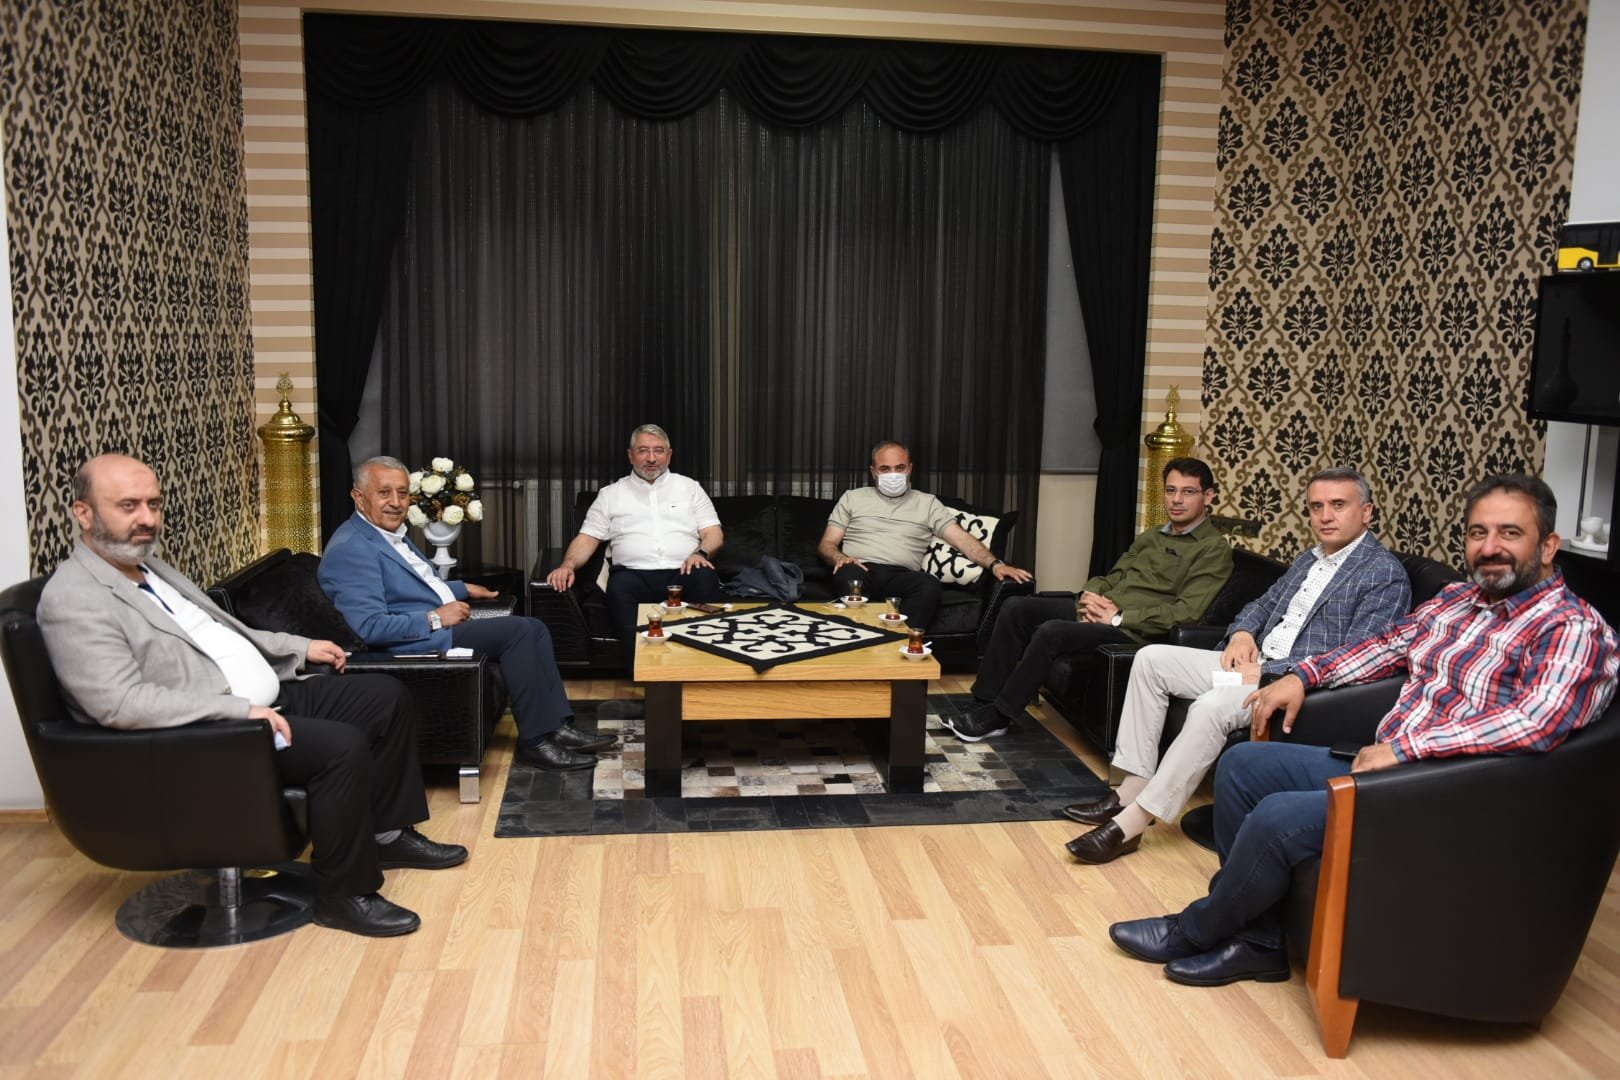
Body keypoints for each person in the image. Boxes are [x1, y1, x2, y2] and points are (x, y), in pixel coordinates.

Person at [1108, 474, 1618, 987]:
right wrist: (1303, 676)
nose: (1489, 547)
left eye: (1509, 533)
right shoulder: (1458, 601)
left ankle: (1195, 929)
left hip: (1451, 793)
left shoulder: (1570, 627)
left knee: (1277, 814)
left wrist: (1405, 750)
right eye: (1477, 533)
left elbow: (1535, 721)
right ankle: (1260, 943)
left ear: (1548, 545)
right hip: (1386, 767)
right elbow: (1384, 646)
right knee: (1242, 767)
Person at [37, 454, 467, 938]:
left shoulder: (149, 568)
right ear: (84, 513)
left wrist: (299, 647)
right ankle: (344, 895)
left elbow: (228, 631)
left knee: (384, 697)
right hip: (213, 734)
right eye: (128, 506)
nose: (147, 518)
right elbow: (119, 703)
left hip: (265, 698)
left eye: (153, 505)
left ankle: (387, 835)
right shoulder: (74, 598)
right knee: (340, 747)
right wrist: (239, 710)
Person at [1063, 467, 1409, 864]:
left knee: (1210, 706)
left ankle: (1132, 824)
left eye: (1338, 505)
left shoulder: (1382, 574)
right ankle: (1130, 790)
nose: (1325, 516)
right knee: (1151, 659)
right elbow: (1260, 605)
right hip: (1252, 665)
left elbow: (1359, 656)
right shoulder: (1309, 559)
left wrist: (1275, 671)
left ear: (1366, 511)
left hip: (1293, 684)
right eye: (1316, 507)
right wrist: (1243, 633)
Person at [320, 456, 614, 772]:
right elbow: (368, 627)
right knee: (521, 632)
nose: (395, 502)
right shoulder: (351, 548)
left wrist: (462, 588)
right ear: (358, 497)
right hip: (412, 643)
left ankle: (556, 727)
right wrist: (436, 618)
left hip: (432, 625)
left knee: (535, 628)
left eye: (402, 493)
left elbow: (413, 584)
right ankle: (535, 743)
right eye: (384, 493)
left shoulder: (385, 533)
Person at [946, 457, 1233, 743]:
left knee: (1052, 631)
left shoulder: (1213, 550)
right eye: (1171, 490)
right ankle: (982, 701)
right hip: (1102, 611)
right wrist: (1089, 598)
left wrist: (1118, 617)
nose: (1177, 499)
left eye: (1188, 491)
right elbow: (1113, 576)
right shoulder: (1152, 536)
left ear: (1208, 496)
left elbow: (1186, 613)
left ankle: (1000, 715)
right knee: (1017, 607)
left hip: (1133, 630)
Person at [817, 441, 1033, 630]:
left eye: (900, 467)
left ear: (910, 468)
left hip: (902, 575)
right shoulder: (853, 498)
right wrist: (840, 558)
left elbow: (962, 540)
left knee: (928, 584)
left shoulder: (928, 503)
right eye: (885, 469)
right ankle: (859, 641)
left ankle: (898, 644)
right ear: (873, 472)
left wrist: (995, 565)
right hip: (860, 568)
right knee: (848, 576)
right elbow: (827, 544)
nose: (893, 474)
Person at [546, 424, 725, 646]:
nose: (651, 458)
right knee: (619, 588)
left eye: (658, 450)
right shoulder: (610, 495)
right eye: (643, 451)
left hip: (684, 571)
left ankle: (699, 657)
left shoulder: (690, 488)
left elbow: (713, 533)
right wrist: (568, 565)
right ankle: (643, 660)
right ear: (630, 455)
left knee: (705, 577)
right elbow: (588, 538)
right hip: (632, 575)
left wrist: (701, 553)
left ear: (669, 455)